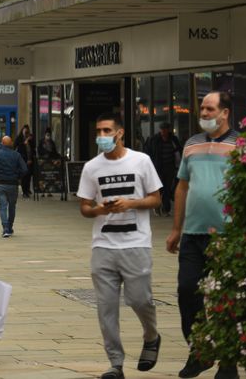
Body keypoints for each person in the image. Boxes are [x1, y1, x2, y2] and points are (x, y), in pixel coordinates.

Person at [77, 112, 162, 379]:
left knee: (140, 300)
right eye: (99, 131)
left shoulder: (141, 161)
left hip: (136, 243)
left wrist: (131, 203)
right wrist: (99, 210)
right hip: (103, 246)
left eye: (107, 131)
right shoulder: (92, 167)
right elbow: (84, 207)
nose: (101, 136)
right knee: (106, 308)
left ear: (120, 133)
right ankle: (116, 363)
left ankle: (151, 335)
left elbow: (156, 199)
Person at [166, 91, 240, 379]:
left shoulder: (241, 145)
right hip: (193, 235)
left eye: (210, 109)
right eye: (203, 109)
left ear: (225, 113)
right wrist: (175, 229)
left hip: (227, 235)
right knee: (187, 292)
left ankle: (228, 363)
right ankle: (200, 353)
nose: (204, 113)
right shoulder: (191, 144)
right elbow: (182, 187)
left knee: (227, 300)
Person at [0, 135, 29, 238]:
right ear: (11, 143)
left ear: (2, 143)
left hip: (1, 184)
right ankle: (10, 227)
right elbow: (24, 169)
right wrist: (17, 176)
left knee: (2, 206)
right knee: (12, 206)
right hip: (13, 184)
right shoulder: (17, 155)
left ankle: (5, 228)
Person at [143, 122, 181, 216]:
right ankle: (157, 206)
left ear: (168, 130)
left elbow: (178, 152)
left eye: (165, 129)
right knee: (159, 189)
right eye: (162, 129)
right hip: (157, 168)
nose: (163, 131)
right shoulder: (154, 140)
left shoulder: (173, 140)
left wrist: (177, 166)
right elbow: (148, 152)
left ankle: (166, 209)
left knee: (167, 188)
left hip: (170, 168)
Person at [14, 125, 35, 197]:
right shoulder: (19, 138)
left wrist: (30, 140)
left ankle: (28, 189)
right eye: (25, 132)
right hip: (23, 159)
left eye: (27, 132)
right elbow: (15, 146)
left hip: (30, 159)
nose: (26, 133)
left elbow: (33, 147)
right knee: (24, 175)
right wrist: (24, 143)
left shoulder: (30, 138)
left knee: (29, 175)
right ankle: (24, 191)